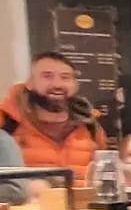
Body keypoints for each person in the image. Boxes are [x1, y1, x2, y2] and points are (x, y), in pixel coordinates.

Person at [0, 51, 108, 183]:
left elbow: (104, 177)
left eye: (65, 77)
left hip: (84, 203)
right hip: (28, 203)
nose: (57, 85)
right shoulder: (6, 123)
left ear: (76, 85)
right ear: (29, 83)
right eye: (47, 76)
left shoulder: (91, 127)